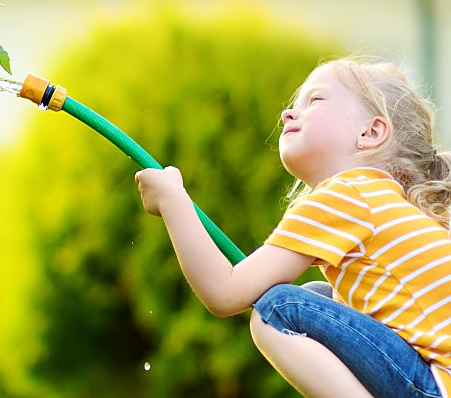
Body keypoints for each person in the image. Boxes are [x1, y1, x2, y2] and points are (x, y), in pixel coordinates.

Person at [135, 58, 451, 398]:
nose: (288, 113)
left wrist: (173, 200)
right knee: (319, 297)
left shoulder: (349, 193)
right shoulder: (386, 201)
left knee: (278, 308)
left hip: (435, 385)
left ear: (370, 132)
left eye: (315, 100)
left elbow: (224, 293)